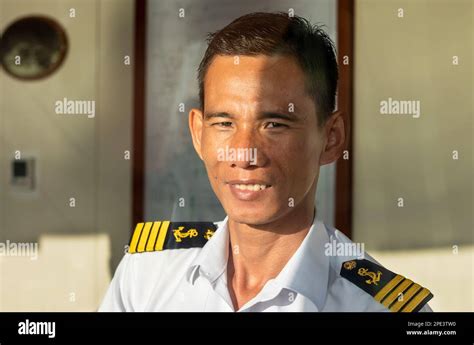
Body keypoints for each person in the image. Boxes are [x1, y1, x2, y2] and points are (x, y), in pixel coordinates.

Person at [99, 12, 433, 312]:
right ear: (198, 134)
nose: (244, 153)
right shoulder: (145, 276)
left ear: (331, 138)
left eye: (274, 124)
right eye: (224, 123)